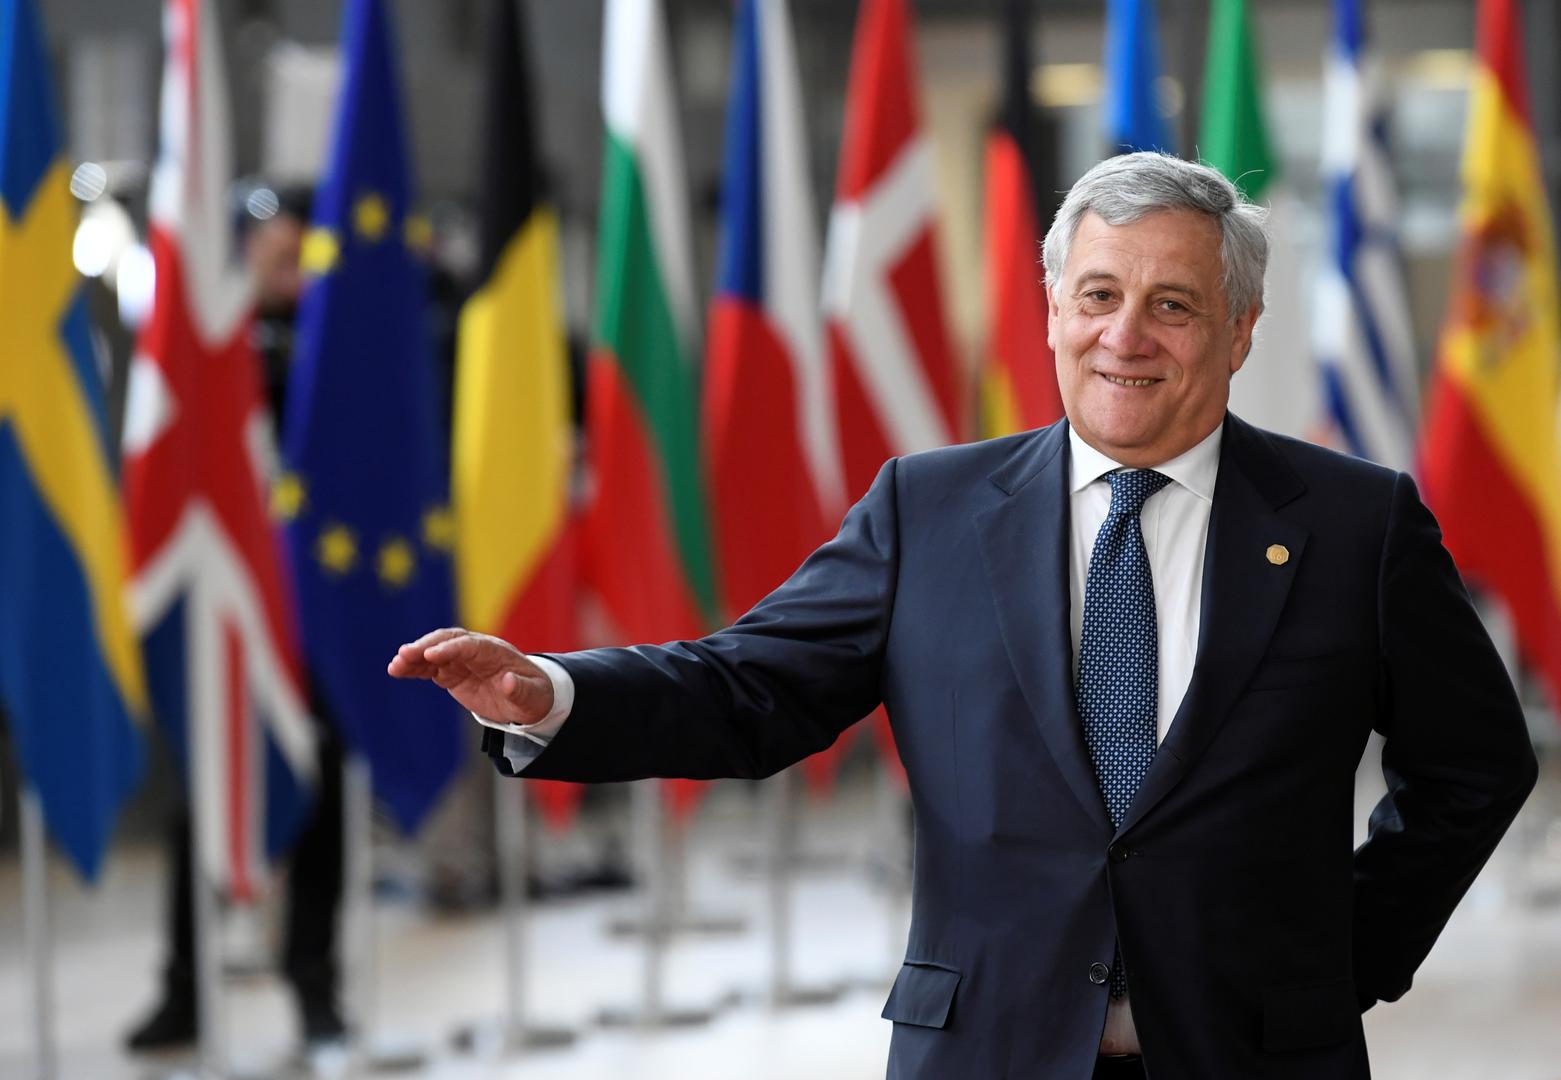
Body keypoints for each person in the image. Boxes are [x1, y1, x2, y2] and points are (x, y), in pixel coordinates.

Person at [388, 153, 1538, 1079]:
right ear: (1052, 313)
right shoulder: (925, 510)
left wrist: (1341, 959)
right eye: (1098, 296)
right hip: (986, 1050)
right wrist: (554, 692)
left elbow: (1475, 764)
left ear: (1239, 331)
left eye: (1173, 306)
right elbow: (751, 688)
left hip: (1259, 1054)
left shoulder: (1354, 525)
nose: (1125, 336)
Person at [127, 184, 346, 1054]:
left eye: (301, 253)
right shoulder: (214, 344)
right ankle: (184, 988)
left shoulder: (336, 344)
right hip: (225, 595)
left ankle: (316, 985)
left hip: (315, 609)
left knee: (320, 795)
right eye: (274, 250)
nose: (286, 267)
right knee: (205, 797)